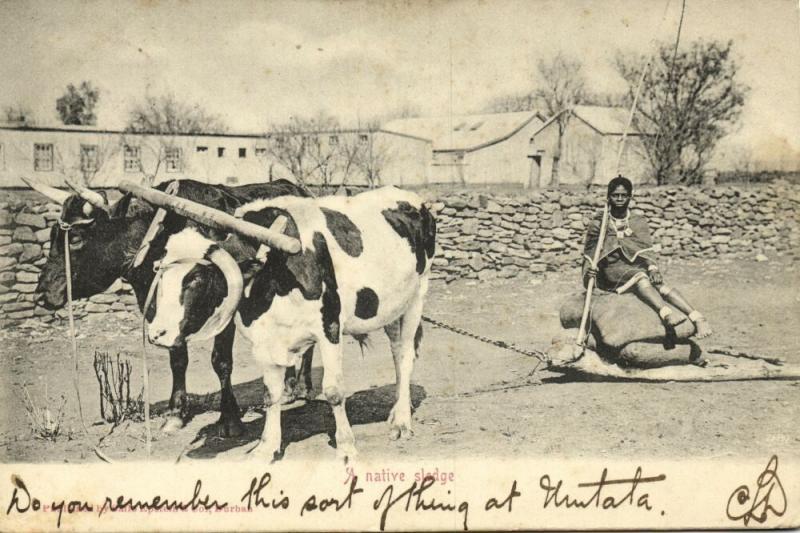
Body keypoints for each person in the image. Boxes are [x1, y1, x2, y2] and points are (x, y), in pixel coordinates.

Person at [582, 175, 713, 339]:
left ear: (630, 197)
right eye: (616, 195)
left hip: (634, 267)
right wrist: (589, 273)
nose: (620, 199)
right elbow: (589, 253)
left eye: (624, 195)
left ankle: (697, 318)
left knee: (660, 285)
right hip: (611, 273)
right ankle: (665, 313)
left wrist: (653, 268)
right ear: (609, 197)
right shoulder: (599, 223)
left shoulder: (637, 221)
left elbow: (645, 249)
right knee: (642, 278)